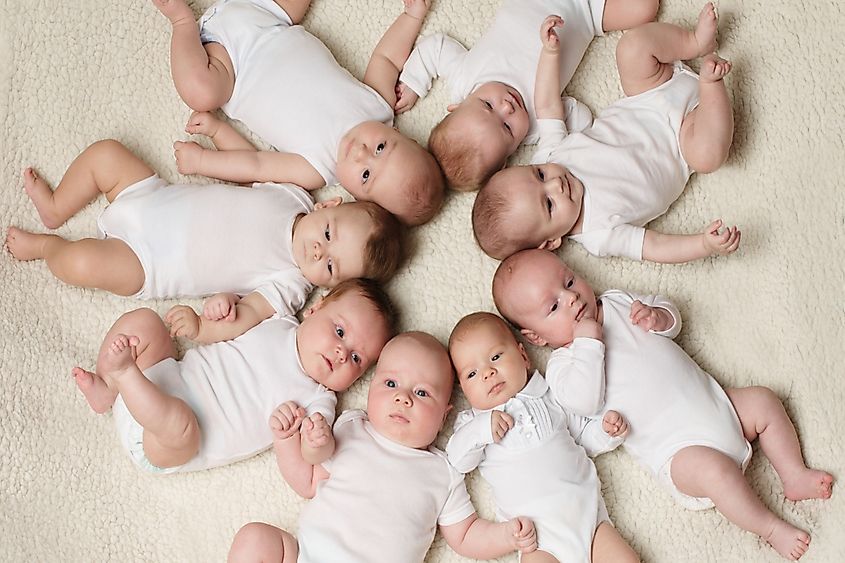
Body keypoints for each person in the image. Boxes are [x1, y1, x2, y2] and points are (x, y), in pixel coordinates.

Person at [492, 249, 835, 560]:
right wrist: (588, 342)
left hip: (720, 406)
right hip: (679, 452)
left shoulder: (616, 301)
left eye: (569, 281)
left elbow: (672, 317)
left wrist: (659, 316)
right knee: (717, 474)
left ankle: (793, 474)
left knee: (764, 400)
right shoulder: (563, 366)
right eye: (553, 307)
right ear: (535, 337)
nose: (570, 298)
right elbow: (584, 401)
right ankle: (770, 528)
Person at [6, 139, 404, 332]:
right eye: (329, 234)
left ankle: (46, 246)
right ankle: (56, 207)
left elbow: (246, 317)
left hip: (147, 263)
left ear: (331, 287)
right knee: (107, 154)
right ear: (327, 206)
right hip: (148, 196)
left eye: (331, 266)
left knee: (82, 263)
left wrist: (208, 324)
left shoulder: (290, 283)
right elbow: (251, 163)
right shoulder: (293, 193)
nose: (319, 251)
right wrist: (212, 139)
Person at [227, 332, 538, 562]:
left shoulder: (443, 471)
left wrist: (505, 536)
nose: (403, 398)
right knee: (255, 539)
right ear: (371, 387)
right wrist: (287, 441)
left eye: (422, 392)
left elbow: (466, 534)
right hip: (307, 555)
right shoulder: (352, 429)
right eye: (391, 384)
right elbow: (308, 481)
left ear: (445, 415)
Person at [474, 4, 740, 262]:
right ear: (550, 243)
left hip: (648, 94)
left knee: (631, 48)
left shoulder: (551, 154)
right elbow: (655, 247)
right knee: (707, 156)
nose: (555, 183)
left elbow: (546, 104)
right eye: (549, 204)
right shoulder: (599, 235)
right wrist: (702, 244)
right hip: (686, 138)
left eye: (539, 174)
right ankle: (710, 85)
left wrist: (550, 53)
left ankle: (695, 42)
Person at [153, 0, 444, 225]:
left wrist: (204, 160)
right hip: (269, 17)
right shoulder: (378, 106)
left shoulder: (316, 169)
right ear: (400, 134)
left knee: (201, 93)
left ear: (356, 197)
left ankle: (181, 22)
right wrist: (413, 16)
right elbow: (388, 58)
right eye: (381, 147)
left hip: (227, 67)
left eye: (366, 174)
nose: (362, 152)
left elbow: (256, 166)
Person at [72, 278, 396, 474]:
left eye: (356, 357)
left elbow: (313, 454)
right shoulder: (277, 321)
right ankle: (109, 387)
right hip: (159, 378)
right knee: (145, 323)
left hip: (162, 443)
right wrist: (219, 307)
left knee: (183, 424)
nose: (342, 353)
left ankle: (123, 374)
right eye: (340, 331)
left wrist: (318, 443)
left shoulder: (319, 398)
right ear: (314, 309)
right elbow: (224, 324)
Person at [394, 0, 659, 190]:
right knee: (644, 8)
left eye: (487, 105)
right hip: (586, 11)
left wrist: (414, 81)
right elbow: (581, 117)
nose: (506, 107)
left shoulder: (465, 78)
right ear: (509, 155)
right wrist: (558, 133)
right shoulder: (537, 126)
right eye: (507, 127)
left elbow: (436, 48)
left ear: (457, 105)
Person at [447, 311, 638, 562]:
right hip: (539, 540)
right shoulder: (472, 423)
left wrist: (606, 432)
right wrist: (481, 429)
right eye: (472, 374)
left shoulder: (550, 394)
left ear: (524, 356)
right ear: (463, 388)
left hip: (589, 520)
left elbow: (582, 439)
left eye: (495, 357)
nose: (487, 373)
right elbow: (457, 459)